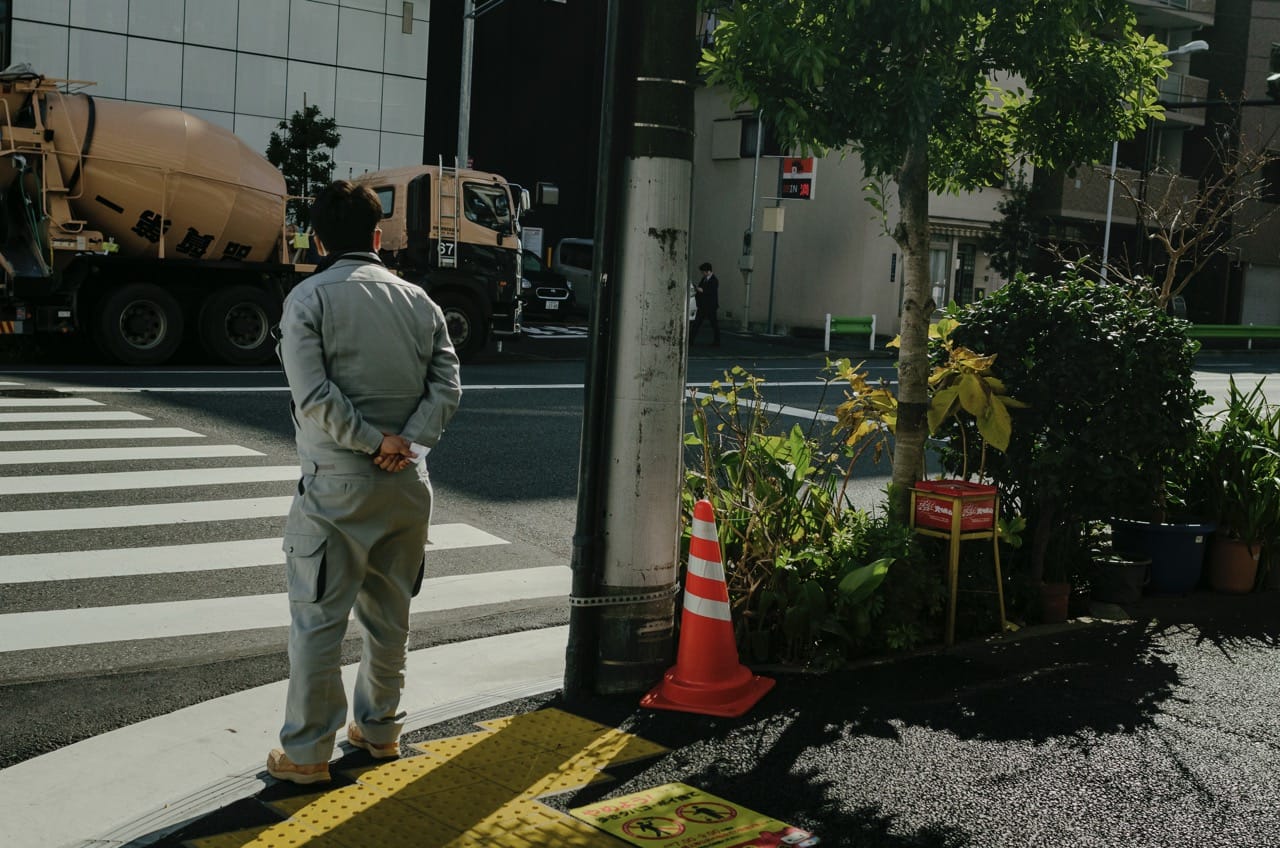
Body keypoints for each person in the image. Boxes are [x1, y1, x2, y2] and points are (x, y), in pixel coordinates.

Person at [267, 180, 462, 784]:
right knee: (389, 617)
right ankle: (379, 731)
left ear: (318, 239)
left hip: (336, 485)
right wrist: (408, 442)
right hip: (408, 484)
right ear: (379, 237)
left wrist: (374, 441)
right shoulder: (419, 300)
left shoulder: (309, 298)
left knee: (319, 619)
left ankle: (305, 754)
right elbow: (448, 383)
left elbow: (314, 393)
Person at [690, 261, 720, 346]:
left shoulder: (714, 280)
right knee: (696, 324)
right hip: (703, 306)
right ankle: (690, 341)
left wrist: (700, 289)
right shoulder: (704, 279)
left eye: (703, 272)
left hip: (711, 306)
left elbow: (709, 291)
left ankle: (717, 342)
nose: (702, 273)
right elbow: (700, 288)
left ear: (708, 271)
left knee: (714, 325)